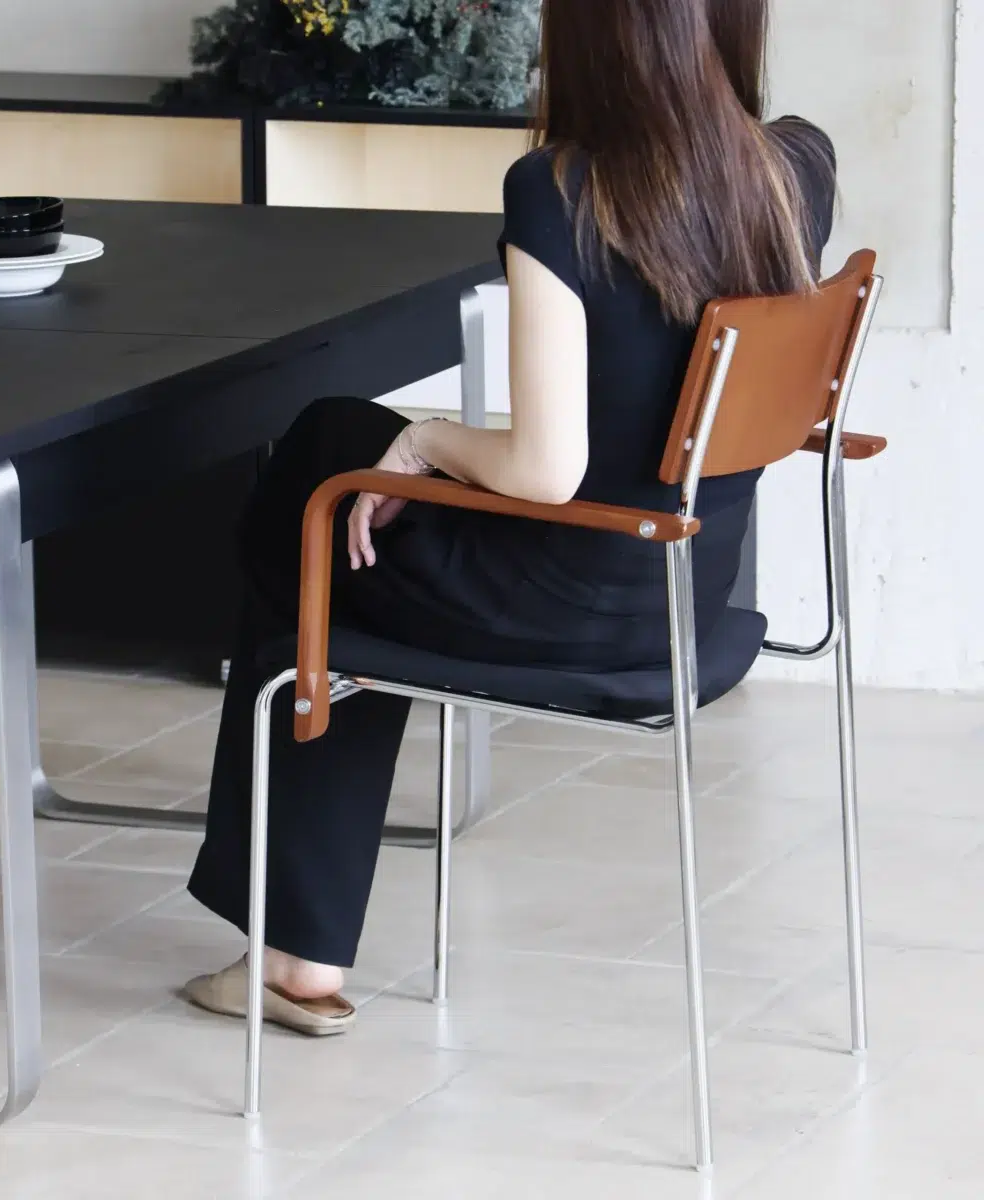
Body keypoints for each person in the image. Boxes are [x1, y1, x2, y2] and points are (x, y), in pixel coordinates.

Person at [183, 0, 836, 1034]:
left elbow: (544, 471)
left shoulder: (558, 191)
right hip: (683, 594)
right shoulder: (796, 166)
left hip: (561, 601)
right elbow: (640, 411)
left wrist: (427, 441)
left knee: (315, 510)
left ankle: (293, 947)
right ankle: (319, 746)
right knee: (335, 462)